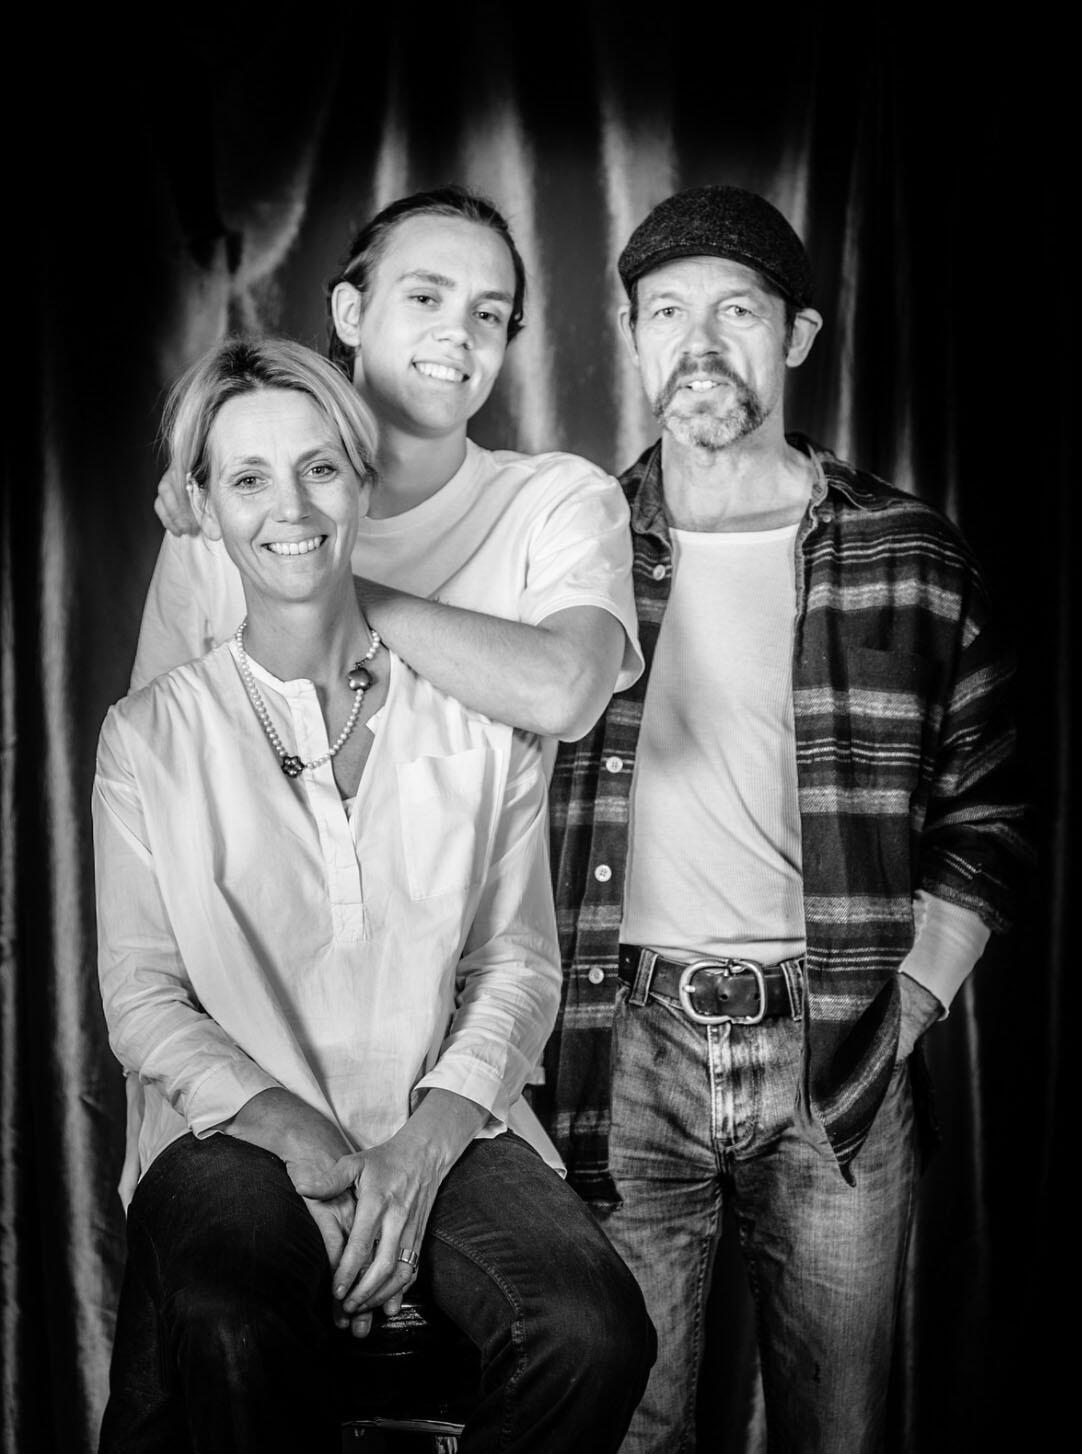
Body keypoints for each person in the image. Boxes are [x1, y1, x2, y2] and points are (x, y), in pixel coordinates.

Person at [93, 337, 653, 1454]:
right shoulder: (148, 734)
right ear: (203, 508)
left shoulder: (477, 721)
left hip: (443, 1111)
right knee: (232, 1321)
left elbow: (515, 965)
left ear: (361, 480)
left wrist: (426, 1141)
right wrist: (295, 1132)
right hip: (230, 1129)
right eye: (248, 478)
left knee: (592, 1331)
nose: (290, 508)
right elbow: (142, 995)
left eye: (319, 468)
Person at [538, 185, 1027, 1452]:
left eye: (736, 312)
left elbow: (988, 799)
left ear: (797, 335)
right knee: (627, 1426)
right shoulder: (566, 548)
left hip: (838, 1054)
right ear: (631, 337)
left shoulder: (909, 552)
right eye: (664, 313)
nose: (697, 344)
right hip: (619, 1054)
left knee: (835, 1428)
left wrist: (909, 998)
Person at [123, 184, 642, 1204]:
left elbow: (565, 689)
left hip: (450, 1061)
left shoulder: (552, 501)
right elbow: (155, 794)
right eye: (426, 296)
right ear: (352, 311)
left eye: (490, 313)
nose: (459, 333)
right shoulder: (215, 525)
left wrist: (309, 575)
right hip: (243, 1075)